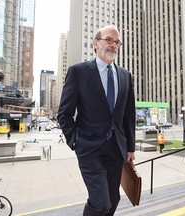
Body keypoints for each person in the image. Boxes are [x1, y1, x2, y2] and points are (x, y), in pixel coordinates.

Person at [58, 25, 135, 216]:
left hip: (116, 148)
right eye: (109, 40)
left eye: (117, 42)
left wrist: (130, 148)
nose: (114, 45)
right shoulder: (78, 72)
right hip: (89, 147)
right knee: (100, 203)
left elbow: (128, 115)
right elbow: (64, 114)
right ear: (96, 43)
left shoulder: (125, 76)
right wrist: (74, 140)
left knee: (113, 199)